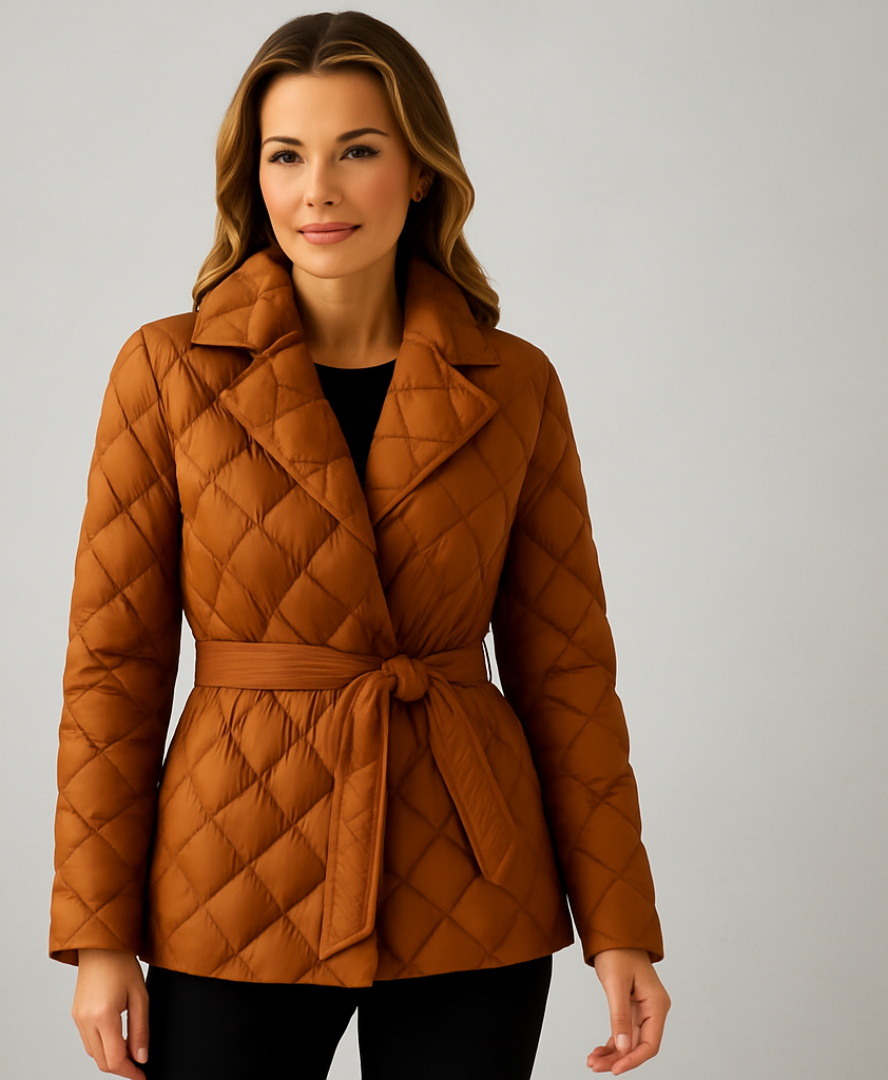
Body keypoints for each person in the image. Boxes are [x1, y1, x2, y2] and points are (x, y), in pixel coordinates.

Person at [49, 10, 670, 1079]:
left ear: (421, 171)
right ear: (253, 177)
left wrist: (620, 926)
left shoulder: (514, 382)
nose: (318, 191)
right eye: (286, 156)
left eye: (358, 152)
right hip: (232, 872)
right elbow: (114, 670)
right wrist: (100, 937)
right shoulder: (165, 371)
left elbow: (567, 670)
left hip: (471, 880)